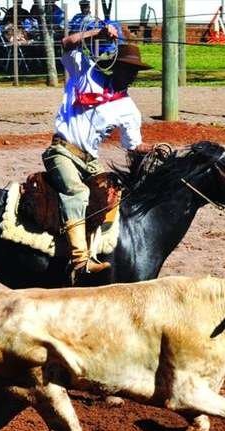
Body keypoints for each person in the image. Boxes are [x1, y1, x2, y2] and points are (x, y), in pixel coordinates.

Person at [46, 25, 154, 281]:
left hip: (88, 159)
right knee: (78, 192)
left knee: (112, 196)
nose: (130, 75)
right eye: (127, 68)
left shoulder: (129, 110)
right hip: (61, 151)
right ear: (114, 66)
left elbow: (132, 144)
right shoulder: (85, 72)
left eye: (134, 71)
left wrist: (153, 148)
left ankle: (100, 249)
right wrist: (98, 34)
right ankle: (80, 260)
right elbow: (68, 42)